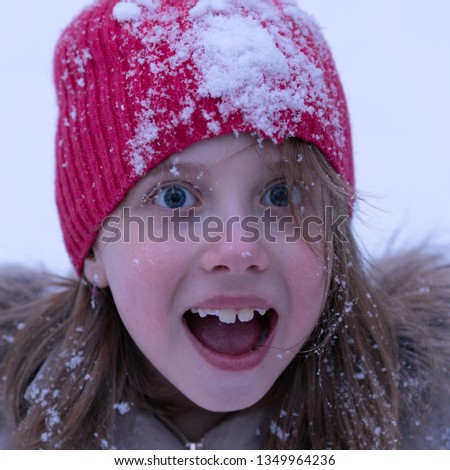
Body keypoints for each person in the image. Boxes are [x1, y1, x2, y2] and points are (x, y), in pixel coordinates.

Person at [0, 0, 449, 450]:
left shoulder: (427, 424)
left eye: (282, 195)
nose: (238, 249)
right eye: (175, 199)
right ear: (95, 248)